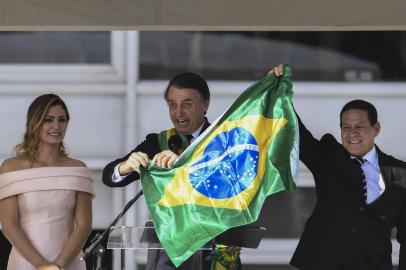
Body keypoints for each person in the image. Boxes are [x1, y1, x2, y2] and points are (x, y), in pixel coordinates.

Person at [270, 64, 406, 270]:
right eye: (345, 127)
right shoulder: (327, 157)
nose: (352, 134)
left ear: (375, 128)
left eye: (359, 127)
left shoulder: (400, 172)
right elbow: (295, 132)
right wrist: (279, 92)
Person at [103, 72, 242, 270]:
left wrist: (183, 167)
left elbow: (233, 186)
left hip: (213, 250)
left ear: (205, 105)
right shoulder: (160, 142)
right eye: (172, 104)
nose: (178, 113)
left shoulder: (225, 141)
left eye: (187, 104)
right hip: (167, 256)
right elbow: (109, 176)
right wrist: (126, 166)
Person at [0, 94, 94, 270]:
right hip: (25, 263)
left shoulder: (78, 169)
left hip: (69, 263)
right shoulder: (10, 167)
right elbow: (9, 225)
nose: (56, 126)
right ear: (34, 123)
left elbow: (84, 226)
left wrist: (58, 266)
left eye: (62, 120)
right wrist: (42, 265)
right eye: (48, 120)